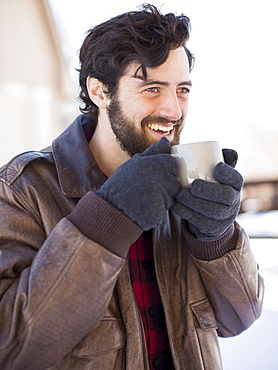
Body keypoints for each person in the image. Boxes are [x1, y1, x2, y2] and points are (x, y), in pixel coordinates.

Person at [0, 4, 264, 370]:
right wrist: (108, 218)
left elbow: (240, 318)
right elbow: (12, 348)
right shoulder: (24, 189)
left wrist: (216, 238)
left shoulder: (189, 181)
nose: (173, 110)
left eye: (182, 89)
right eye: (152, 89)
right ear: (99, 92)